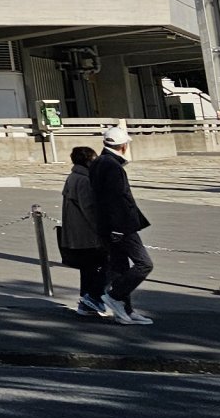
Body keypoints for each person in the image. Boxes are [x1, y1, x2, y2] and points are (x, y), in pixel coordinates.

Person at [87, 123, 155, 326]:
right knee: (144, 264)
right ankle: (115, 297)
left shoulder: (99, 162)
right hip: (121, 225)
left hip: (106, 224)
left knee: (120, 266)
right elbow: (115, 199)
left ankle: (125, 310)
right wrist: (118, 227)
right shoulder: (113, 166)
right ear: (124, 145)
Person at [57, 144, 108, 314]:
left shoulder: (73, 177)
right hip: (88, 234)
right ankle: (93, 299)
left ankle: (86, 302)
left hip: (76, 233)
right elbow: (89, 209)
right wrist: (102, 229)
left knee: (87, 269)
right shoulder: (84, 180)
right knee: (101, 266)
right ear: (88, 161)